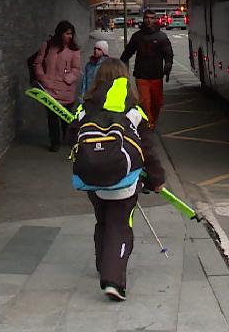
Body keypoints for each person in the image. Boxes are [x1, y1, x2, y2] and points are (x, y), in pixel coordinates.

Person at [68, 58, 165, 302]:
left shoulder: (86, 107)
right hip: (124, 179)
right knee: (120, 225)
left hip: (92, 177)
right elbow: (148, 148)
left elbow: (70, 136)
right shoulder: (132, 108)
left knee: (103, 220)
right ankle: (113, 280)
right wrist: (156, 179)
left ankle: (103, 264)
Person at [33, 20, 82, 152]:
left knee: (65, 117)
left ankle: (68, 138)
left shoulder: (74, 50)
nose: (69, 36)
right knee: (52, 117)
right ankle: (55, 141)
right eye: (67, 33)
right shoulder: (47, 46)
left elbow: (76, 69)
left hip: (66, 89)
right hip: (49, 87)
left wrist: (68, 79)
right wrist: (43, 78)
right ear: (60, 33)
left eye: (71, 34)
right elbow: (37, 63)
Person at [120, 9, 173, 129]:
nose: (149, 20)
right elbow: (127, 53)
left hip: (156, 76)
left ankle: (152, 119)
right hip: (141, 75)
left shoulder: (161, 37)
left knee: (157, 103)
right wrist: (119, 66)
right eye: (146, 18)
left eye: (151, 18)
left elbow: (168, 54)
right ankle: (149, 123)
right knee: (145, 102)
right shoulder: (137, 37)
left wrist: (168, 65)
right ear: (143, 19)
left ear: (155, 20)